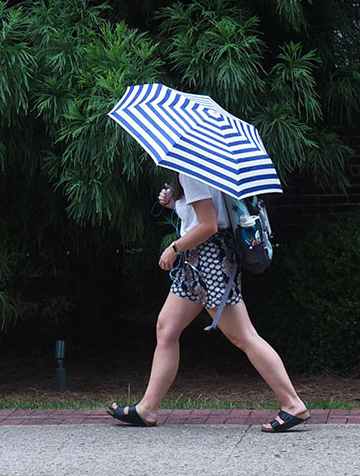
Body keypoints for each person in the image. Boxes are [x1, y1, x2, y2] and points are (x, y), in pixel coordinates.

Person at [107, 172, 309, 432]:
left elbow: (208, 225)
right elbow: (209, 213)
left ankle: (292, 404)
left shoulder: (192, 171)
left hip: (208, 259)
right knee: (166, 328)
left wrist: (174, 247)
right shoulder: (207, 168)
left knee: (244, 336)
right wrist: (177, 204)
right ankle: (148, 408)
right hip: (202, 260)